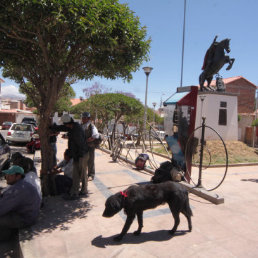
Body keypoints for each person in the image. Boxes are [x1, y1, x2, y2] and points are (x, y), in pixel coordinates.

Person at [51, 114, 89, 200]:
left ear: (67, 123)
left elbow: (80, 145)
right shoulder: (72, 126)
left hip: (82, 154)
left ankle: (83, 191)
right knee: (76, 174)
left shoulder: (77, 130)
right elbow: (63, 128)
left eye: (64, 124)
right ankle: (74, 192)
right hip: (77, 154)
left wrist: (74, 156)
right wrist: (54, 127)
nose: (64, 125)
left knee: (82, 174)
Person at [0, 165, 41, 241]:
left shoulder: (17, 190)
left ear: (18, 176)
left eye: (10, 175)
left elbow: (1, 208)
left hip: (25, 219)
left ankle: (5, 236)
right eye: (7, 174)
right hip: (30, 215)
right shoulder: (23, 184)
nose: (7, 177)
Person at [81, 112, 99, 181]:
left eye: (85, 118)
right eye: (83, 117)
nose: (83, 119)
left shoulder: (91, 126)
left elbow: (96, 135)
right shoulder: (81, 125)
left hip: (90, 146)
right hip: (83, 146)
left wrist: (89, 139)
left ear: (88, 118)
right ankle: (83, 175)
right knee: (83, 160)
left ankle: (91, 175)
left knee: (90, 161)